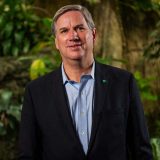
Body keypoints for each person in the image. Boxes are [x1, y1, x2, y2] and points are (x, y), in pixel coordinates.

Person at [19, 4, 153, 160]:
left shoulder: (123, 83)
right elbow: (27, 155)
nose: (73, 36)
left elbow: (141, 151)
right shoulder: (36, 92)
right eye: (64, 31)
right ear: (56, 42)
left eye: (80, 28)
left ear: (93, 34)